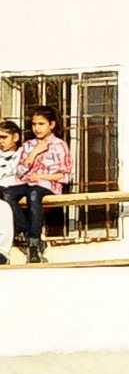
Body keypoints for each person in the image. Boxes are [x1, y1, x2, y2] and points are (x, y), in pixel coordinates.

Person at [9, 107, 70, 263]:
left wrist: (42, 176)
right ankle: (30, 232)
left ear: (51, 124)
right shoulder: (28, 145)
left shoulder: (59, 145)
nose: (37, 128)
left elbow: (65, 175)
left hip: (47, 185)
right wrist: (34, 153)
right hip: (27, 182)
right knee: (8, 195)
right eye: (34, 124)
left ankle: (34, 244)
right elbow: (20, 171)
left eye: (41, 124)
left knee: (34, 194)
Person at [0, 122, 19, 262]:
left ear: (15, 137)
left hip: (11, 188)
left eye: (4, 137)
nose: (0, 141)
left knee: (5, 209)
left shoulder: (22, 154)